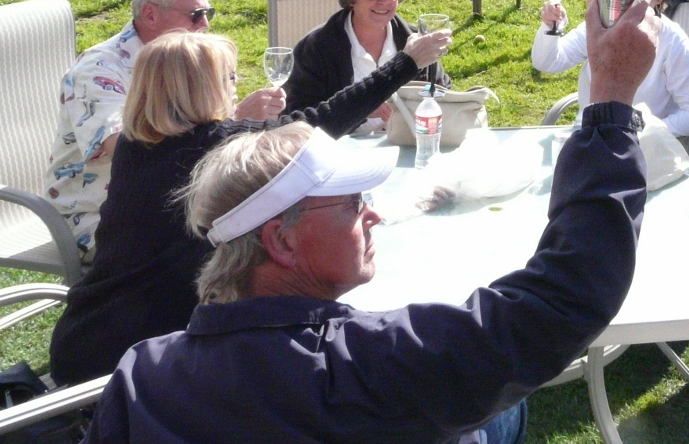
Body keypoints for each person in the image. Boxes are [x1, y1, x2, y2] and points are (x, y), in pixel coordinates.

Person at [83, 0, 658, 444]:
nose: (374, 215)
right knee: (503, 411)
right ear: (280, 242)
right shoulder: (377, 364)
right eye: (353, 203)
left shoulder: (143, 376)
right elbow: (564, 297)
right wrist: (609, 104)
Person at [48, 22, 451, 387]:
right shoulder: (218, 146)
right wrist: (406, 63)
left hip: (85, 334)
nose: (235, 85)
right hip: (138, 368)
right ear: (200, 88)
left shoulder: (135, 145)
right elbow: (323, 121)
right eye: (228, 77)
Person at [45, 0, 284, 259]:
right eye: (195, 14)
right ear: (150, 14)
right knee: (244, 249)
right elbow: (127, 148)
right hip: (100, 216)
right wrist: (236, 122)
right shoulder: (99, 71)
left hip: (171, 200)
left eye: (207, 13)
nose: (205, 24)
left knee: (274, 227)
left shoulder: (186, 61)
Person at [531, 0, 689, 136]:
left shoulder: (672, 40)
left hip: (641, 145)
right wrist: (551, 25)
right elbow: (547, 63)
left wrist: (641, 134)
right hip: (588, 136)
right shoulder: (599, 26)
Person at [283, 0, 451, 131]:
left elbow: (445, 96)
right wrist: (358, 107)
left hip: (406, 144)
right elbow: (296, 120)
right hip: (340, 145)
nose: (384, 0)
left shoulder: (414, 43)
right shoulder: (317, 48)